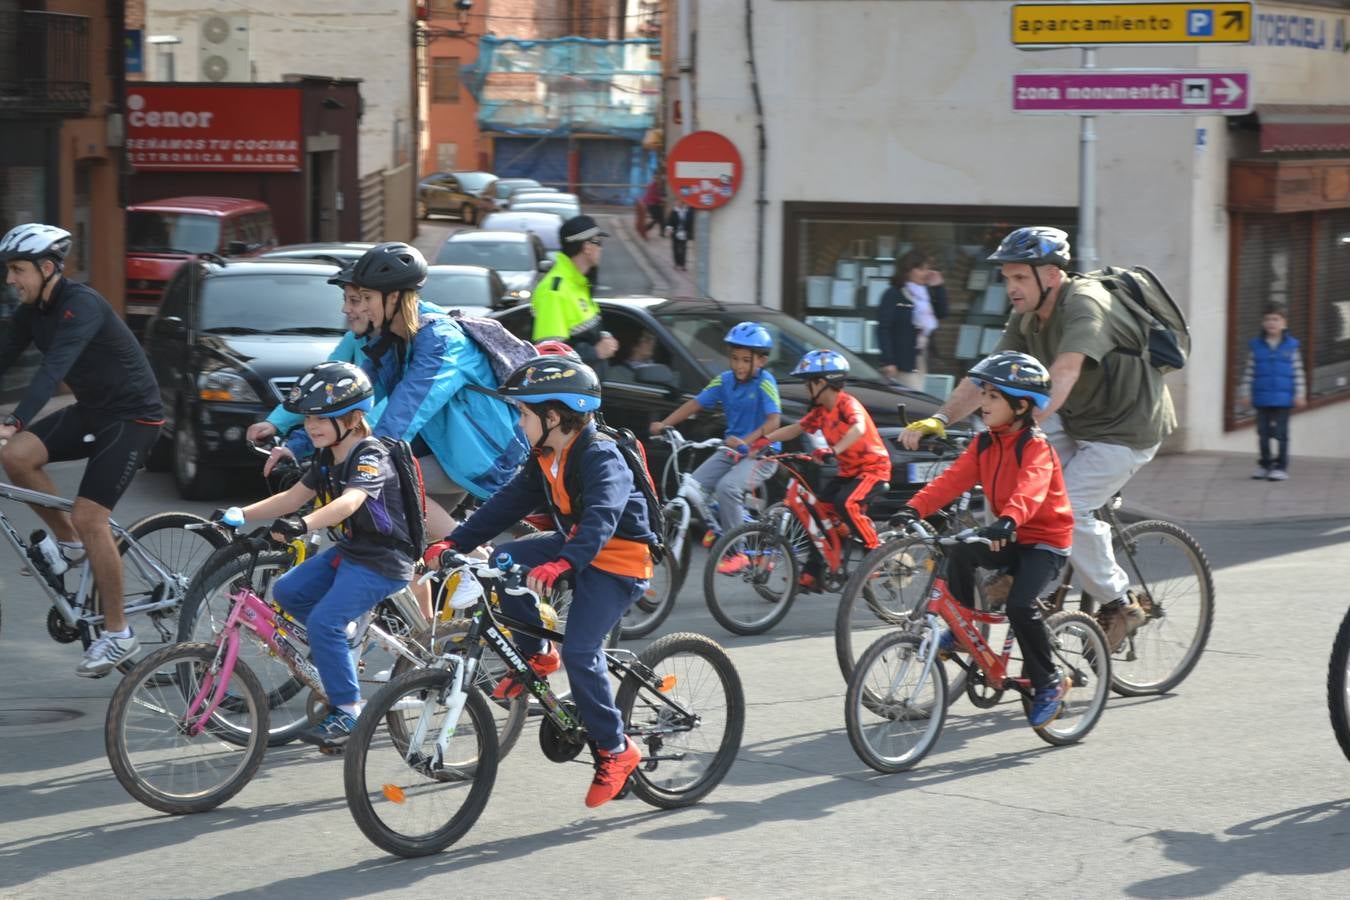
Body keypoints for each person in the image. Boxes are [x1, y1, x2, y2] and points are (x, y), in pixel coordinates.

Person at [900, 226, 1176, 650]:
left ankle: (1121, 603)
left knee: (1071, 504)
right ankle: (1015, 566)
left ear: (1050, 275)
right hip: (1078, 416)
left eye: (1019, 278)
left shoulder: (1086, 305)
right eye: (1007, 278)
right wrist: (940, 417)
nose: (1010, 288)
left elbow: (1064, 372)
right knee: (1002, 470)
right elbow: (988, 378)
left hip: (1127, 427)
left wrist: (1016, 434)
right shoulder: (1026, 314)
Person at [422, 355, 654, 808]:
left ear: (553, 417)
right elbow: (506, 504)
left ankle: (616, 748)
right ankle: (535, 658)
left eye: (524, 413)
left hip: (619, 561)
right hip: (574, 548)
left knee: (584, 652)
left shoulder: (600, 454)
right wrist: (453, 542)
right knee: (504, 559)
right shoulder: (547, 455)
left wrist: (565, 562)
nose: (519, 421)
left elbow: (604, 517)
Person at [0, 224, 165, 677]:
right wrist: (15, 434)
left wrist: (14, 420)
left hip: (134, 418)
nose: (10, 279)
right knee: (16, 457)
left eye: (17, 269)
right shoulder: (32, 311)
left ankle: (118, 634)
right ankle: (68, 543)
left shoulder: (82, 305)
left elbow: (53, 368)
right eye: (9, 270)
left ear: (48, 268)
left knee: (92, 516)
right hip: (94, 410)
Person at [222, 362, 413, 751]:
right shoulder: (327, 456)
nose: (312, 425)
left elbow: (350, 501)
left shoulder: (368, 455)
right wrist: (242, 513)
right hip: (352, 553)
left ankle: (347, 709)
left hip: (383, 560)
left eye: (323, 417)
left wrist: (301, 525)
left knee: (325, 620)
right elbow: (293, 498)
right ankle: (340, 644)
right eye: (309, 417)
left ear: (355, 418)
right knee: (289, 591)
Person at [899, 351, 1074, 727]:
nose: (984, 403)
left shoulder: (1036, 447)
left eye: (994, 396)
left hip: (1044, 542)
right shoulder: (984, 444)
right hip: (1008, 534)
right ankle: (963, 632)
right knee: (961, 552)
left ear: (1022, 405)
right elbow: (951, 481)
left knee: (1019, 606)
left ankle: (1049, 683)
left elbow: (1031, 489)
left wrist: (1009, 520)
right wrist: (913, 509)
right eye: (985, 394)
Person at [649, 323, 780, 566]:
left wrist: (746, 441)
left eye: (745, 360)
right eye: (734, 358)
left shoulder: (765, 382)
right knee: (695, 487)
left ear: (760, 361)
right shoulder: (724, 381)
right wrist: (665, 424)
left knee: (727, 487)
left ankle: (737, 552)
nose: (738, 365)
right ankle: (722, 525)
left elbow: (774, 421)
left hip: (761, 454)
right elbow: (695, 404)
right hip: (731, 450)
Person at [758, 350, 891, 589]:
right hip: (848, 473)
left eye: (808, 383)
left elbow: (858, 429)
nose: (806, 388)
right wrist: (764, 441)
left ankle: (875, 556)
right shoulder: (820, 412)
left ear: (822, 382)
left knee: (845, 503)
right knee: (816, 514)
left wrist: (834, 450)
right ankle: (813, 573)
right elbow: (796, 429)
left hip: (873, 471)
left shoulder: (847, 404)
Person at [245, 262, 380, 475]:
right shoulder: (355, 339)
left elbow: (371, 417)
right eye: (345, 300)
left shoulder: (405, 346)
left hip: (422, 452)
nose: (345, 309)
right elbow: (317, 387)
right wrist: (275, 424)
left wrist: (301, 445)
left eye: (354, 301)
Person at [531, 215, 618, 373]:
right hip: (571, 395)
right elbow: (550, 357)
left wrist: (603, 337)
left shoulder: (579, 283)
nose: (601, 249)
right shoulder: (554, 291)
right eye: (599, 242)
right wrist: (596, 352)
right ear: (587, 246)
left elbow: (584, 332)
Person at [1237, 302, 1307, 481]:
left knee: (1282, 434)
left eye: (1276, 319)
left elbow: (1298, 372)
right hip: (1262, 397)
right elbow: (1249, 371)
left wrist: (1300, 394)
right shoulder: (1256, 347)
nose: (1271, 323)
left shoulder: (1291, 346)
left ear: (1284, 323)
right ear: (1262, 322)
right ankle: (1264, 464)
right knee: (1263, 433)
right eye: (1268, 319)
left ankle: (1281, 466)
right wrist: (1245, 392)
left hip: (1283, 399)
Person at [876, 248, 947, 390]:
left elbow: (942, 312)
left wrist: (939, 287)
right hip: (901, 362)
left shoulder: (926, 294)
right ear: (908, 271)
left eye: (927, 269)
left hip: (921, 358)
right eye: (921, 269)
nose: (926, 273)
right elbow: (883, 329)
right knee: (909, 401)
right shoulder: (894, 294)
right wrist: (888, 361)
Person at [665, 201, 694, 271]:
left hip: (684, 232)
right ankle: (676, 263)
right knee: (675, 248)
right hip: (675, 232)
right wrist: (669, 231)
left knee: (683, 248)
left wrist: (689, 233)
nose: (679, 204)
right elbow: (669, 222)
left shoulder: (688, 211)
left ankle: (683, 264)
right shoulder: (674, 211)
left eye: (682, 203)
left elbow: (690, 223)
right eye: (678, 203)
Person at [639, 172, 665, 239]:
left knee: (660, 218)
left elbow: (656, 195)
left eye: (658, 179)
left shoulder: (654, 185)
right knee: (656, 218)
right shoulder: (653, 185)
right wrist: (661, 200)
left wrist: (660, 199)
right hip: (652, 204)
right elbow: (653, 196)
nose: (658, 180)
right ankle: (646, 228)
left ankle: (661, 232)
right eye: (657, 178)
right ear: (655, 178)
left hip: (654, 204)